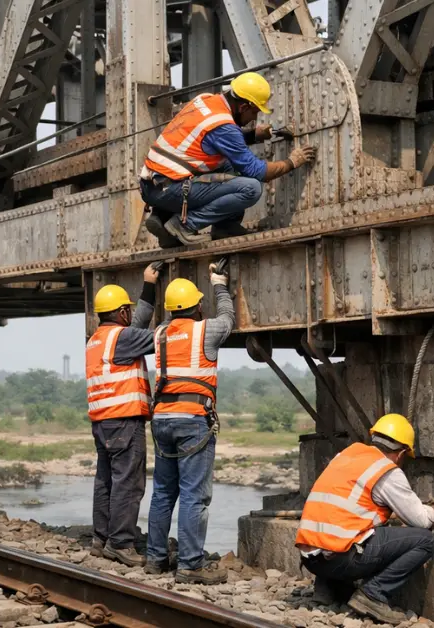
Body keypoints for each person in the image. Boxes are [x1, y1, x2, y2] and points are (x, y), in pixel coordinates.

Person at [296, 414, 434, 625]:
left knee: (347, 533)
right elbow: (423, 521)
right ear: (402, 453)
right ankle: (372, 595)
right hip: (339, 560)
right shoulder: (386, 471)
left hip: (312, 560)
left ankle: (327, 588)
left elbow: (344, 510)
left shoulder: (346, 455)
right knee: (425, 540)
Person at [139, 71, 319, 247]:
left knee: (225, 164)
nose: (254, 118)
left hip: (153, 183)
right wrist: (292, 162)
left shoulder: (206, 100)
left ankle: (217, 225)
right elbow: (257, 171)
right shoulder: (225, 127)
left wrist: (253, 135)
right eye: (254, 112)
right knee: (250, 188)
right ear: (244, 107)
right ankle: (183, 225)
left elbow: (211, 138)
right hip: (168, 188)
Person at [145, 264, 233, 584]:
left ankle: (155, 558)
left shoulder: (161, 334)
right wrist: (219, 284)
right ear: (197, 306)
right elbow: (228, 318)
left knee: (163, 493)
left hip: (162, 421)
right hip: (192, 421)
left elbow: (159, 323)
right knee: (194, 495)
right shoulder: (204, 330)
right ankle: (190, 565)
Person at [85, 265, 161, 566]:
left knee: (106, 480)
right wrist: (182, 322)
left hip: (103, 422)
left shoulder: (98, 340)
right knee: (128, 483)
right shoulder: (121, 339)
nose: (131, 314)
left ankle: (100, 538)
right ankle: (121, 543)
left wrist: (149, 286)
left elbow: (137, 326)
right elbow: (158, 338)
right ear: (120, 313)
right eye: (127, 310)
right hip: (124, 421)